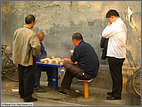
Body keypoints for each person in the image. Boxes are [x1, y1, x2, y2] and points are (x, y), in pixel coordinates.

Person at [12, 14, 41, 102]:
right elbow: (36, 47)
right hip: (28, 59)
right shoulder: (32, 34)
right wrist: (34, 54)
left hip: (19, 58)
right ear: (32, 22)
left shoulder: (17, 31)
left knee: (21, 77)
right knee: (29, 78)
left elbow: (14, 42)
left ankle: (22, 93)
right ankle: (28, 97)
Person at [102, 9, 127, 100]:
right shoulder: (121, 24)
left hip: (115, 55)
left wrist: (108, 26)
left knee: (116, 76)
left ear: (112, 17)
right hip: (118, 54)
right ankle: (115, 91)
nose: (109, 21)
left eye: (109, 19)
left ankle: (116, 95)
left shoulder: (116, 25)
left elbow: (104, 34)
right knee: (116, 75)